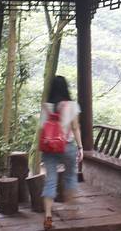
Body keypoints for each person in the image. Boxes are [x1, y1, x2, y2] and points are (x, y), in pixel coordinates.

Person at [40, 75, 83, 230]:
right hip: (67, 146)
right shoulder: (72, 105)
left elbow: (42, 128)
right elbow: (75, 128)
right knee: (70, 175)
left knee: (50, 180)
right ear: (65, 88)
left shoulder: (46, 106)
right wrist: (80, 147)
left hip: (49, 147)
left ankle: (48, 218)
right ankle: (71, 209)